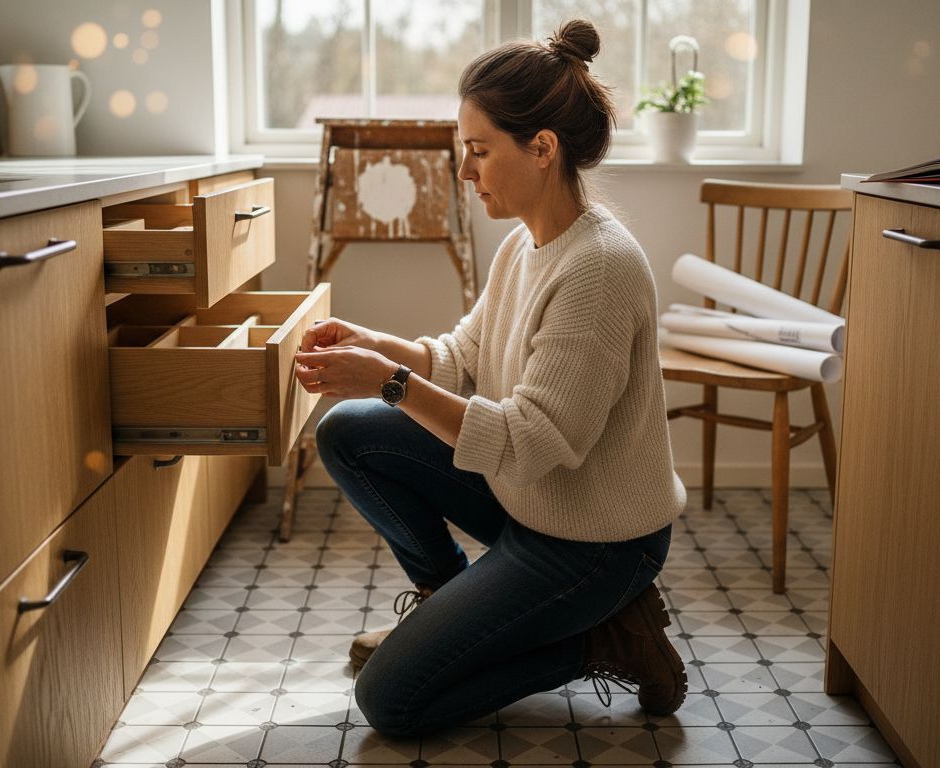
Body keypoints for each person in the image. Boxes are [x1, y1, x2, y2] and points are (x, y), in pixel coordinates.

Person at [292, 18, 688, 738]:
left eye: (477, 151)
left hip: (595, 544)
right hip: (533, 501)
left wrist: (386, 378)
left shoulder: (598, 268)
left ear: (542, 149)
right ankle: (455, 603)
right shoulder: (524, 245)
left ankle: (604, 637)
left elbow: (533, 443)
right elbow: (462, 356)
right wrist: (377, 346)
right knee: (349, 431)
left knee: (392, 702)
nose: (465, 171)